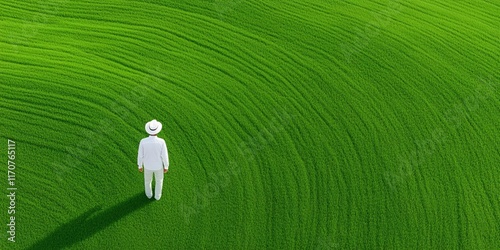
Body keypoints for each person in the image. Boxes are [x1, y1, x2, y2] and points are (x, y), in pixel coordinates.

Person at [137, 119, 169, 200]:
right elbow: (164, 155)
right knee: (159, 181)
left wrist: (140, 165)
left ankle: (149, 195)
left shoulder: (143, 141)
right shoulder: (161, 142)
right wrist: (166, 166)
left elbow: (140, 155)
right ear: (157, 131)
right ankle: (157, 196)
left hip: (147, 166)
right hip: (158, 166)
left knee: (147, 181)